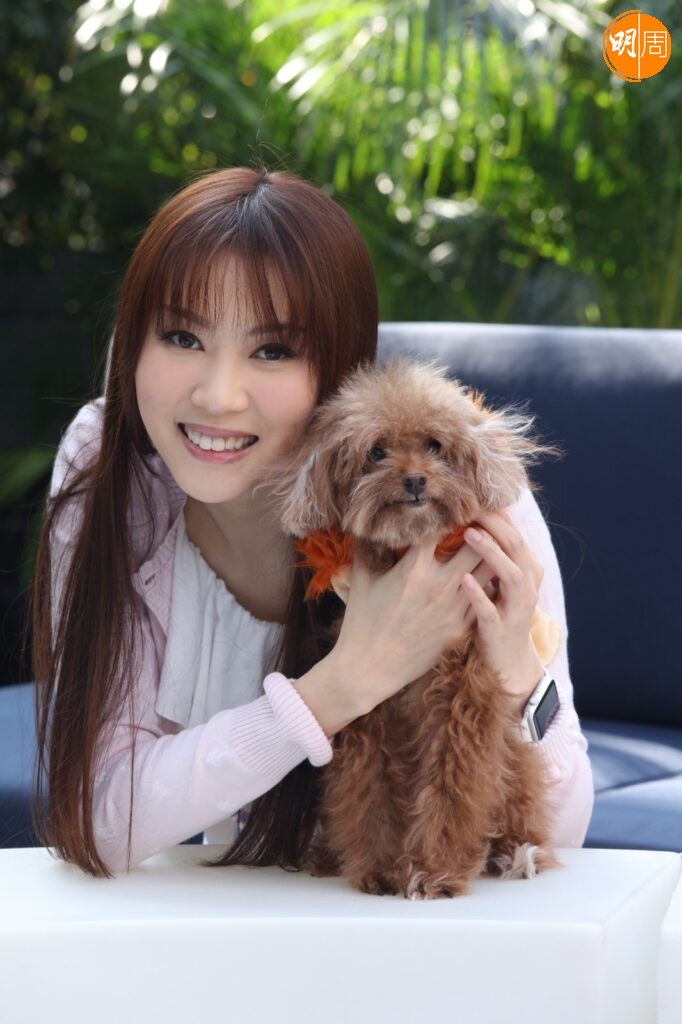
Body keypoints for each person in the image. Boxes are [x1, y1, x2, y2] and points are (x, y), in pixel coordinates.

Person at [31, 167, 594, 878]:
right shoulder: (111, 467)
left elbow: (561, 834)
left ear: (342, 370)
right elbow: (98, 814)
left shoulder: (458, 485)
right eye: (180, 336)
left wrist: (517, 671)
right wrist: (341, 685)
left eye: (272, 350)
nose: (218, 396)